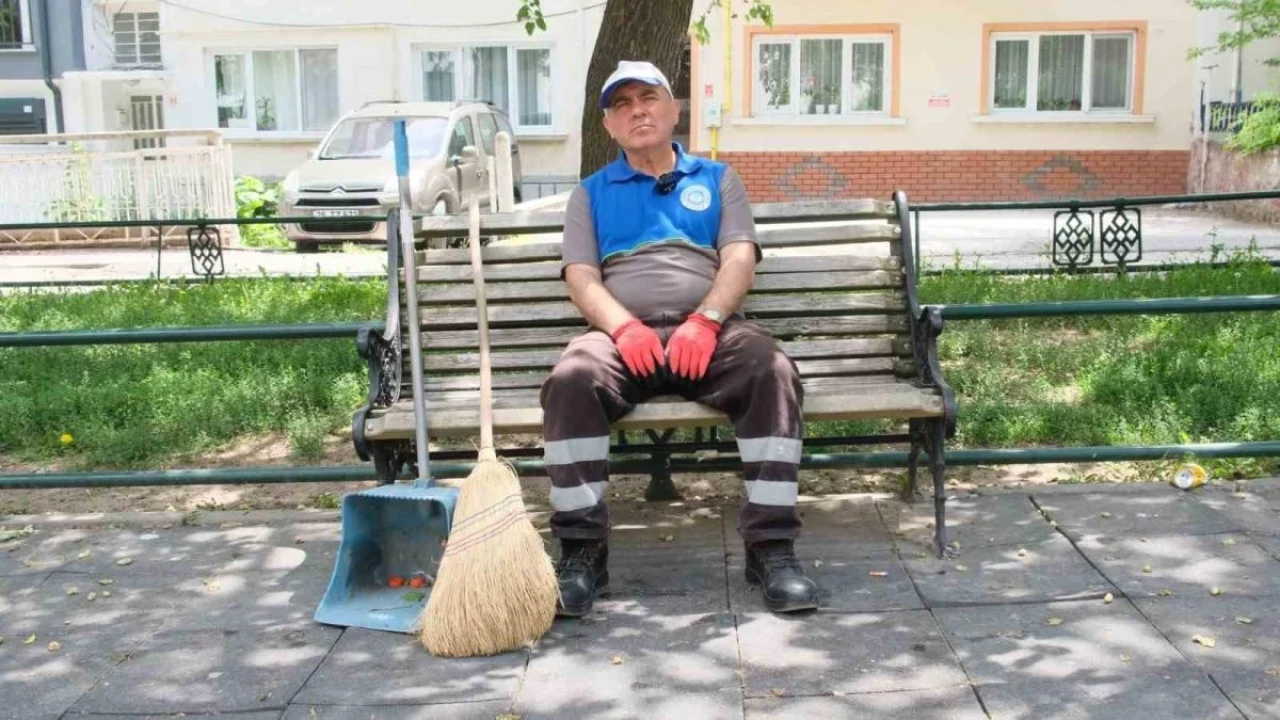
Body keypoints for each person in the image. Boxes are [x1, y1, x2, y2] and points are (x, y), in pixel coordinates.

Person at [541, 60, 820, 617]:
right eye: (622, 104)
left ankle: (772, 548)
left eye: (649, 97)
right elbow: (582, 277)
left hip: (709, 331)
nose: (637, 110)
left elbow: (739, 256)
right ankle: (581, 552)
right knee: (571, 380)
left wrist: (707, 319)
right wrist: (621, 327)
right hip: (622, 335)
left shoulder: (718, 179)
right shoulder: (590, 194)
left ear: (674, 110)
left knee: (772, 370)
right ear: (609, 127)